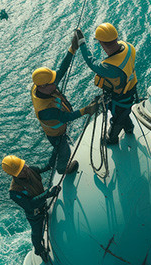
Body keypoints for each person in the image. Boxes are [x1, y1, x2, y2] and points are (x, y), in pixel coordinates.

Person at [30, 32, 100, 174]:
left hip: (57, 129)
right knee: (64, 150)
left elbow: (62, 70)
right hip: (56, 134)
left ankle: (50, 164)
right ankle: (62, 168)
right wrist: (86, 110)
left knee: (57, 149)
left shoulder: (41, 86)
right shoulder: (45, 110)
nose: (55, 84)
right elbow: (65, 117)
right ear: (43, 87)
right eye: (52, 83)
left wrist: (72, 49)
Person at [75, 23, 139, 145]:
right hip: (131, 88)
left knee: (117, 119)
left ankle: (112, 139)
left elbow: (90, 61)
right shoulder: (129, 47)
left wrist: (82, 42)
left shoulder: (109, 67)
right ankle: (129, 129)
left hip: (120, 98)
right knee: (125, 112)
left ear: (101, 43)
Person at [1, 155, 61, 256]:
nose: (25, 169)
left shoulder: (30, 170)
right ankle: (39, 250)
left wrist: (56, 151)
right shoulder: (15, 191)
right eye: (21, 170)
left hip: (42, 204)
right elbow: (30, 205)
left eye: (24, 166)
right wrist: (48, 193)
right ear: (14, 175)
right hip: (35, 214)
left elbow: (46, 167)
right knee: (37, 232)